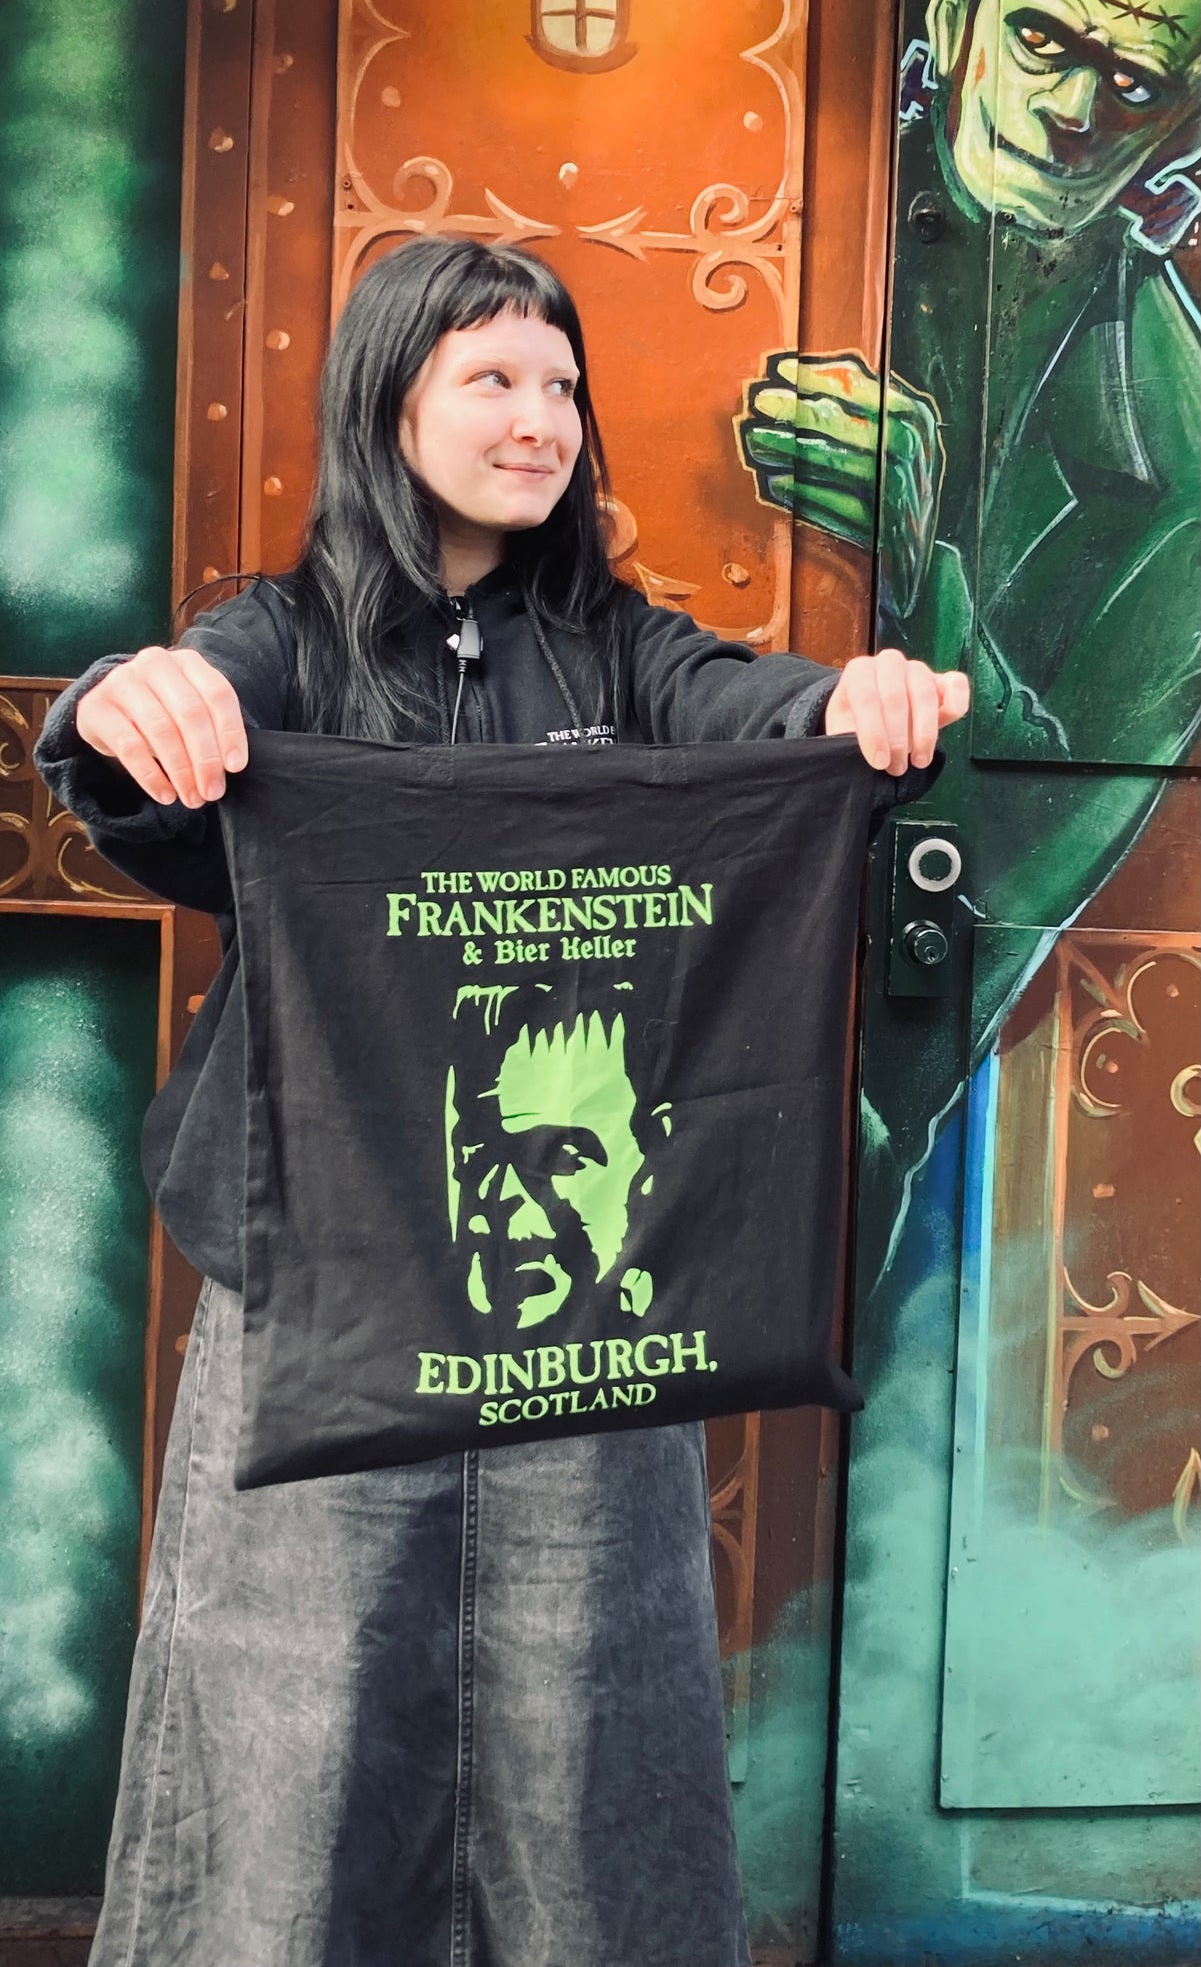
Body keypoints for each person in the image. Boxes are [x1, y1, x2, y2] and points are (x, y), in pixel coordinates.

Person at [34, 235, 969, 1967]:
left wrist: (856, 701)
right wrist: (117, 705)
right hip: (328, 1277)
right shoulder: (279, 637)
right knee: (293, 1731)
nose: (540, 418)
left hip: (588, 1288)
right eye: (491, 379)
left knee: (590, 1733)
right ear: (388, 403)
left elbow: (758, 711)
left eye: (561, 385)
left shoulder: (625, 653)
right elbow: (146, 756)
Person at [737, 0, 1201, 1282]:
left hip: (841, 1079)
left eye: (1134, 82)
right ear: (950, 25)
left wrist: (919, 559)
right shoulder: (773, 203)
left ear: (1176, 126)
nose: (1075, 110)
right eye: (1045, 37)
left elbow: (1030, 853)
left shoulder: (1180, 449)